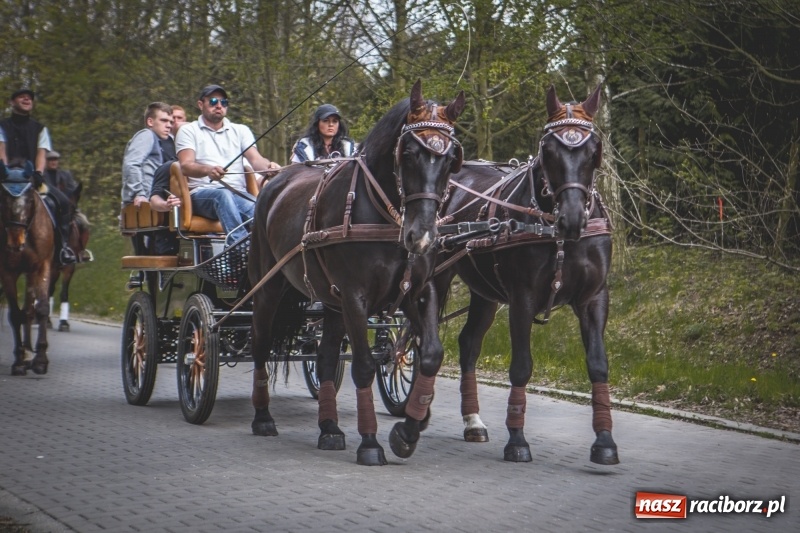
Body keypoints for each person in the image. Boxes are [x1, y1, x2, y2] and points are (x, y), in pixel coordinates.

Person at [176, 84, 280, 244]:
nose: (219, 105)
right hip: (200, 194)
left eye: (224, 102)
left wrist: (269, 168)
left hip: (236, 193)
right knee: (222, 195)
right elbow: (186, 166)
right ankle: (240, 249)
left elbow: (256, 160)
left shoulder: (241, 130)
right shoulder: (188, 130)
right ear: (200, 104)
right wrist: (208, 170)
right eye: (213, 101)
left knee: (259, 210)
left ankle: (271, 254)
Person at [0, 89, 76, 264]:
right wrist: (4, 172)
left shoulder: (40, 129)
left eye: (30, 98)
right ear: (12, 102)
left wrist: (39, 173)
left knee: (63, 203)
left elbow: (41, 154)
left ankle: (63, 248)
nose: (27, 99)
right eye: (22, 96)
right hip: (6, 178)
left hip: (30, 179)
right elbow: (1, 150)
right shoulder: (2, 125)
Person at [290, 104, 355, 163]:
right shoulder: (304, 147)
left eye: (335, 121)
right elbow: (294, 173)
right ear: (317, 123)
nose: (331, 124)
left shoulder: (349, 147)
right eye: (326, 121)